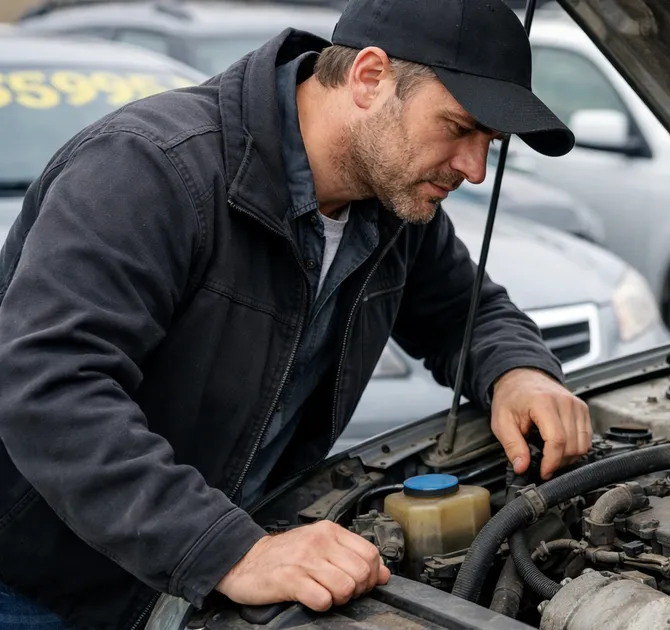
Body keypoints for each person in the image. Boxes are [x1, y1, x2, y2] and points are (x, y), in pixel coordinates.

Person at [0, 1, 592, 628]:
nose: (474, 169)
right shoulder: (151, 167)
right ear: (369, 77)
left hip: (202, 574)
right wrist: (231, 549)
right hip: (42, 584)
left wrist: (519, 372)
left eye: (489, 144)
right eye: (458, 127)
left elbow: (460, 311)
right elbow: (49, 387)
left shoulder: (388, 205)